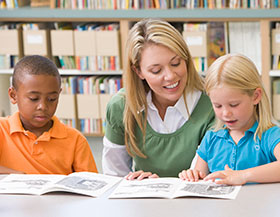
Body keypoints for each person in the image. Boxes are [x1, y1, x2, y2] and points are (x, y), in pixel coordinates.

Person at [102, 19, 215, 179]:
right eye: (156, 70)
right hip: (143, 201)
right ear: (138, 72)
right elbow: (114, 177)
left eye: (176, 63)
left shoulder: (213, 103)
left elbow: (207, 175)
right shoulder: (121, 106)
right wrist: (136, 185)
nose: (170, 76)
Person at [179, 53, 280, 185]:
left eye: (234, 105)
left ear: (255, 96)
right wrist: (192, 175)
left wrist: (243, 176)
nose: (226, 113)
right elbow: (199, 179)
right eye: (218, 106)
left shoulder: (269, 135)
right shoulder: (211, 138)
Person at [0, 55, 98, 174]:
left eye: (52, 99)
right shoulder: (2, 130)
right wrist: (17, 176)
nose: (43, 106)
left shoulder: (75, 140)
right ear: (13, 95)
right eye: (34, 98)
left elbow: (92, 184)